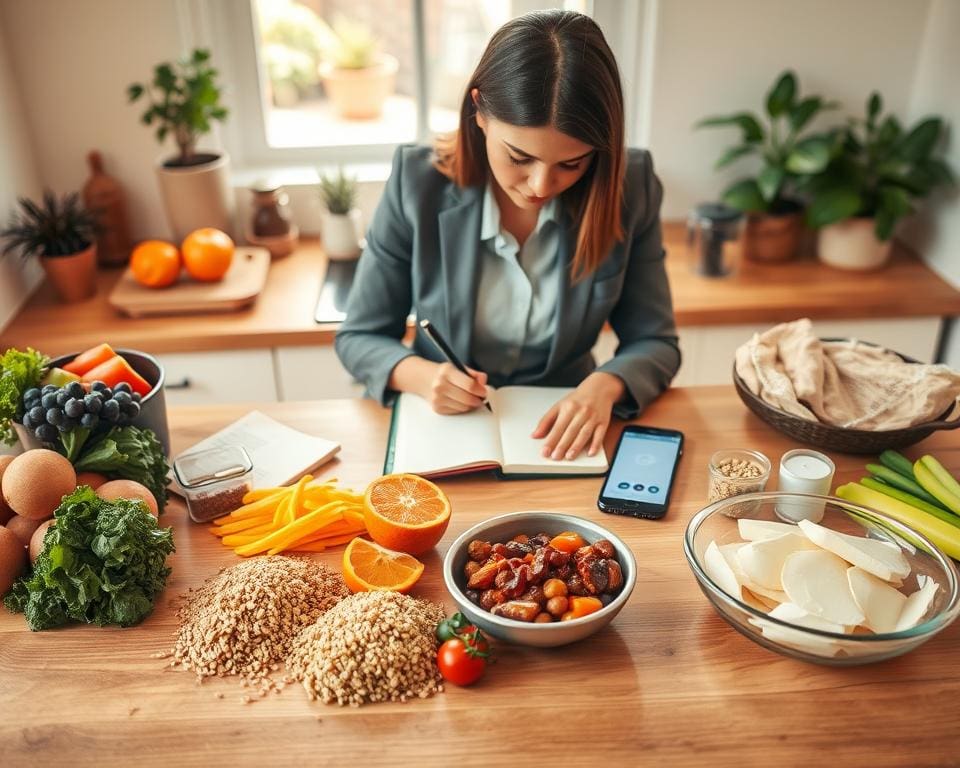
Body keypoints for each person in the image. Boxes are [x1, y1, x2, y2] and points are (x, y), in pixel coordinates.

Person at [335, 9, 680, 461]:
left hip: (561, 436)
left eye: (571, 164)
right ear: (478, 111)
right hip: (442, 429)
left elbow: (657, 342)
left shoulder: (631, 186)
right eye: (519, 157)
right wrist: (422, 377)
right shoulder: (417, 183)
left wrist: (605, 385)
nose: (540, 186)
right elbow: (359, 337)